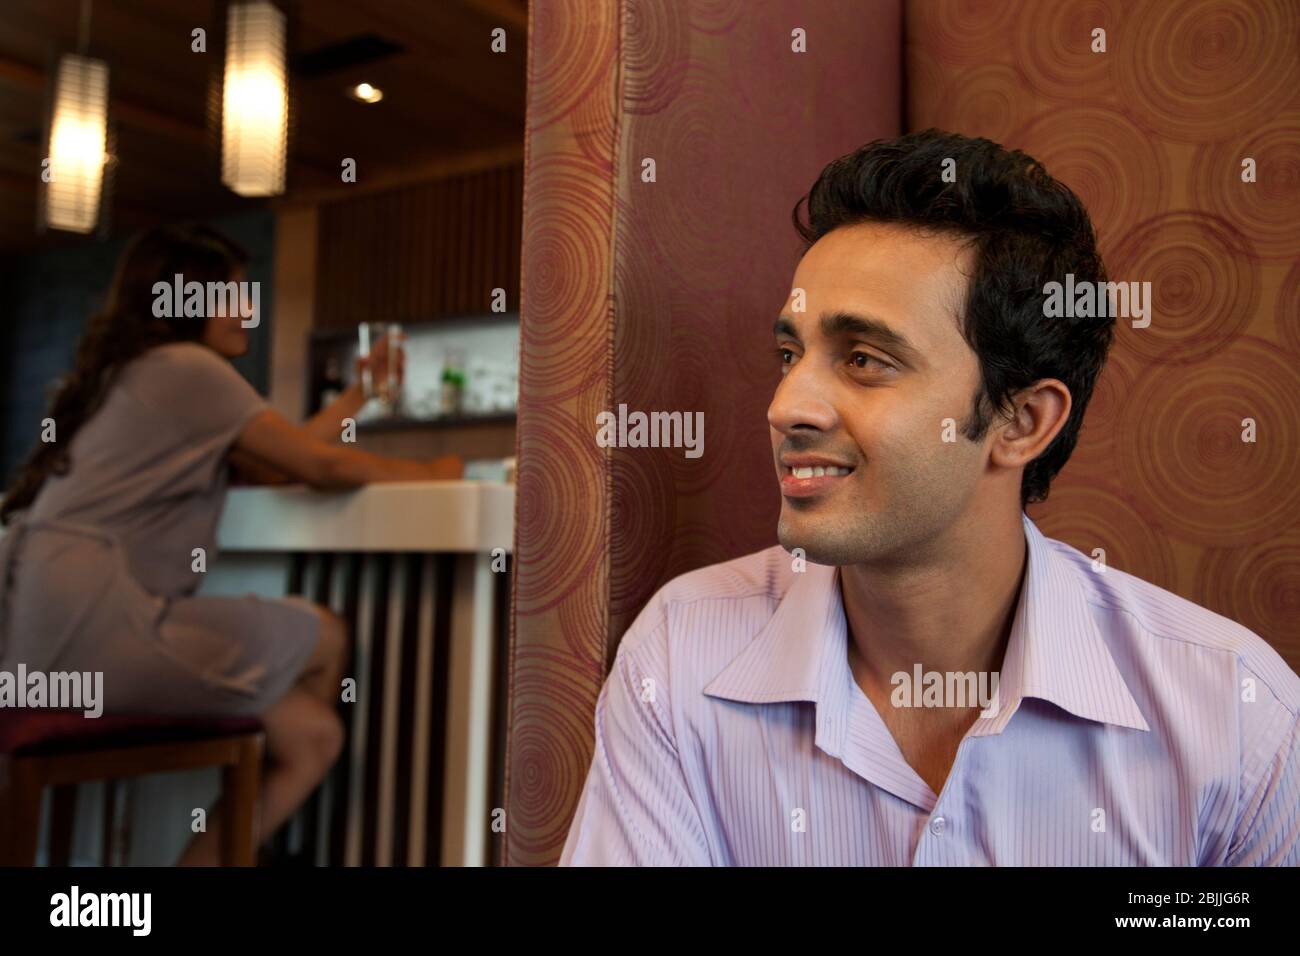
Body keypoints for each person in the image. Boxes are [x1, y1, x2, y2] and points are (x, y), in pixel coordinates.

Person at [560, 130, 1300, 866]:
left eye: (863, 359)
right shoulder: (682, 656)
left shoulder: (1235, 721)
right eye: (790, 354)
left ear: (1020, 422)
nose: (786, 405)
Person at [0, 224, 462, 865]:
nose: (249, 310)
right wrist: (437, 475)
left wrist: (361, 395)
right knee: (325, 634)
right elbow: (315, 466)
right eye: (235, 295)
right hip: (99, 628)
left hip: (47, 642)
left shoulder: (135, 373)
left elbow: (279, 458)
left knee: (311, 737)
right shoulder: (189, 369)